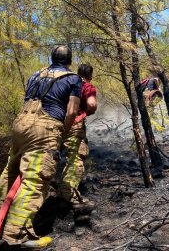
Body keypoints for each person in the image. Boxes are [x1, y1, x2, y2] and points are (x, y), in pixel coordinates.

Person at [0, 45, 81, 249]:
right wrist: (62, 133)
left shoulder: (35, 75)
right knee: (35, 179)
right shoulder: (72, 78)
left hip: (20, 124)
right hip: (45, 128)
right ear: (70, 61)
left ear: (52, 58)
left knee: (11, 171)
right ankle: (17, 234)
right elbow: (72, 110)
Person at [58, 64, 97, 222]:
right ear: (90, 75)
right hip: (73, 125)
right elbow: (92, 104)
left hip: (54, 124)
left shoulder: (65, 83)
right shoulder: (86, 86)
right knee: (75, 160)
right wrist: (87, 113)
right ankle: (66, 197)